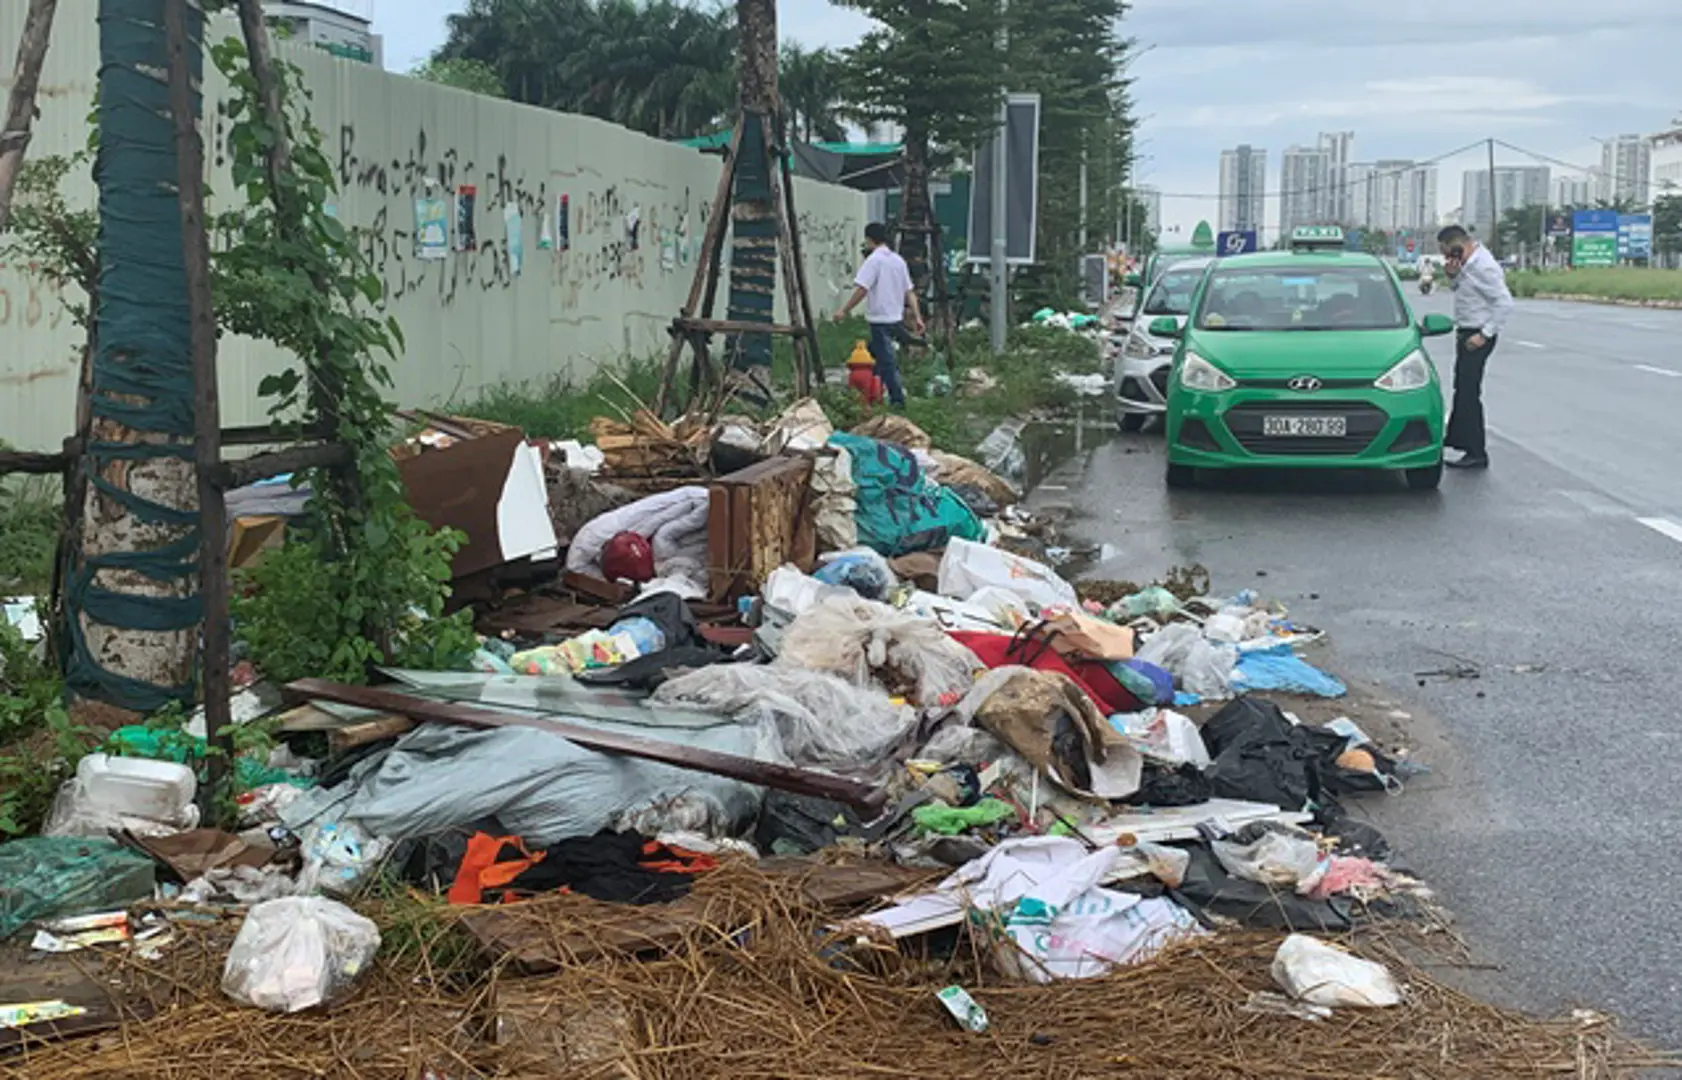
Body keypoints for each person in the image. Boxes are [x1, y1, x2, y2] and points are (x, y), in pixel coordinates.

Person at [1437, 224, 1514, 470]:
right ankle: (1458, 440)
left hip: (1477, 334)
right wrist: (1453, 276)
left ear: (1457, 246)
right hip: (1467, 331)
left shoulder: (1484, 267)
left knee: (1469, 393)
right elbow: (1466, 291)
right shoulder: (1469, 266)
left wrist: (1484, 334)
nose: (1446, 256)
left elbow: (1504, 303)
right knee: (1462, 388)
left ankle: (1476, 451)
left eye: (1447, 251)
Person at [834, 223, 923, 408]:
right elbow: (910, 292)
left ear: (869, 240)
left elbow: (862, 289)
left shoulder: (874, 261)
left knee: (887, 362)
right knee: (874, 357)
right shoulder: (898, 261)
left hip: (879, 319)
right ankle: (871, 393)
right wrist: (918, 317)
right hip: (895, 317)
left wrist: (844, 310)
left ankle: (897, 400)